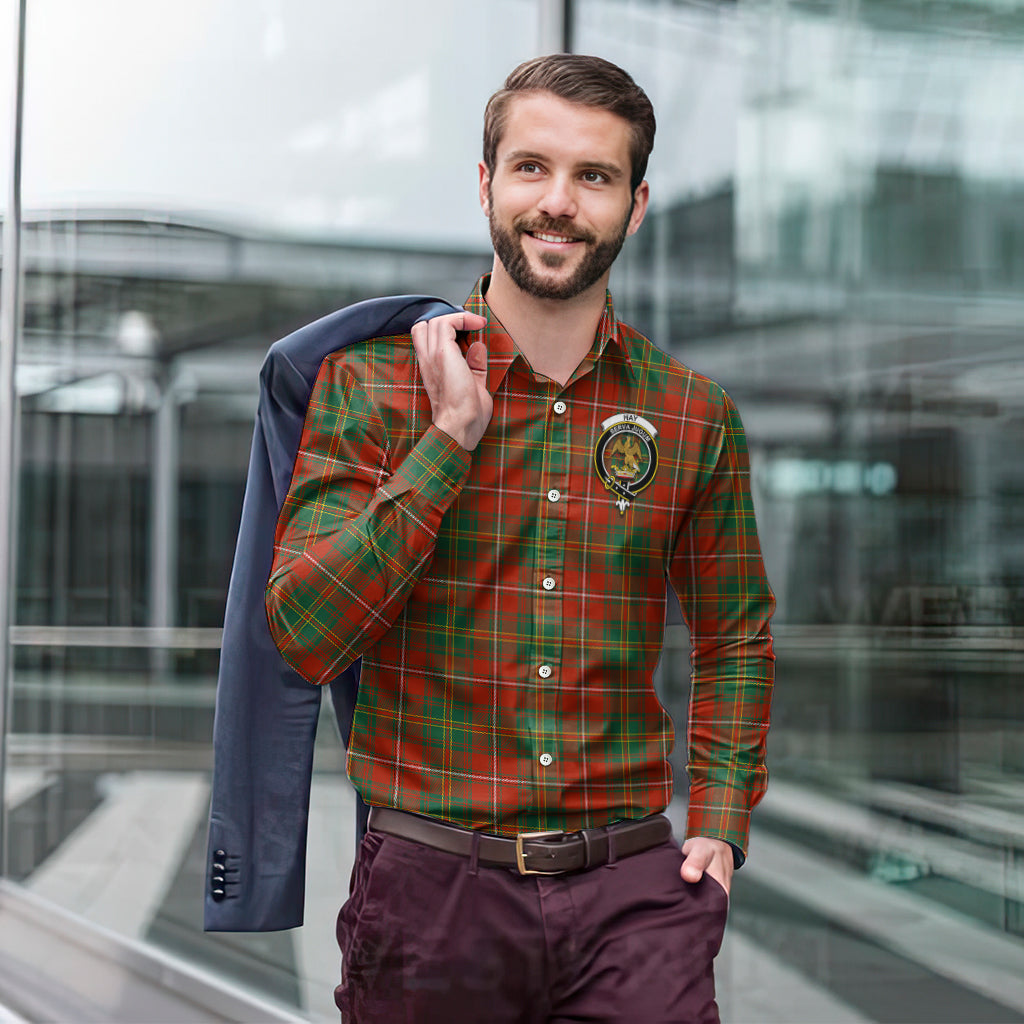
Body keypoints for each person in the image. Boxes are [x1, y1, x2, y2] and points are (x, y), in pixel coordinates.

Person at [266, 53, 775, 1024]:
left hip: (633, 895)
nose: (559, 202)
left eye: (595, 176)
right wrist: (449, 439)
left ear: (635, 203)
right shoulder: (370, 389)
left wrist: (717, 818)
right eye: (532, 167)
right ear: (486, 183)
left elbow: (734, 633)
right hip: (431, 896)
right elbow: (305, 633)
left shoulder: (694, 415)